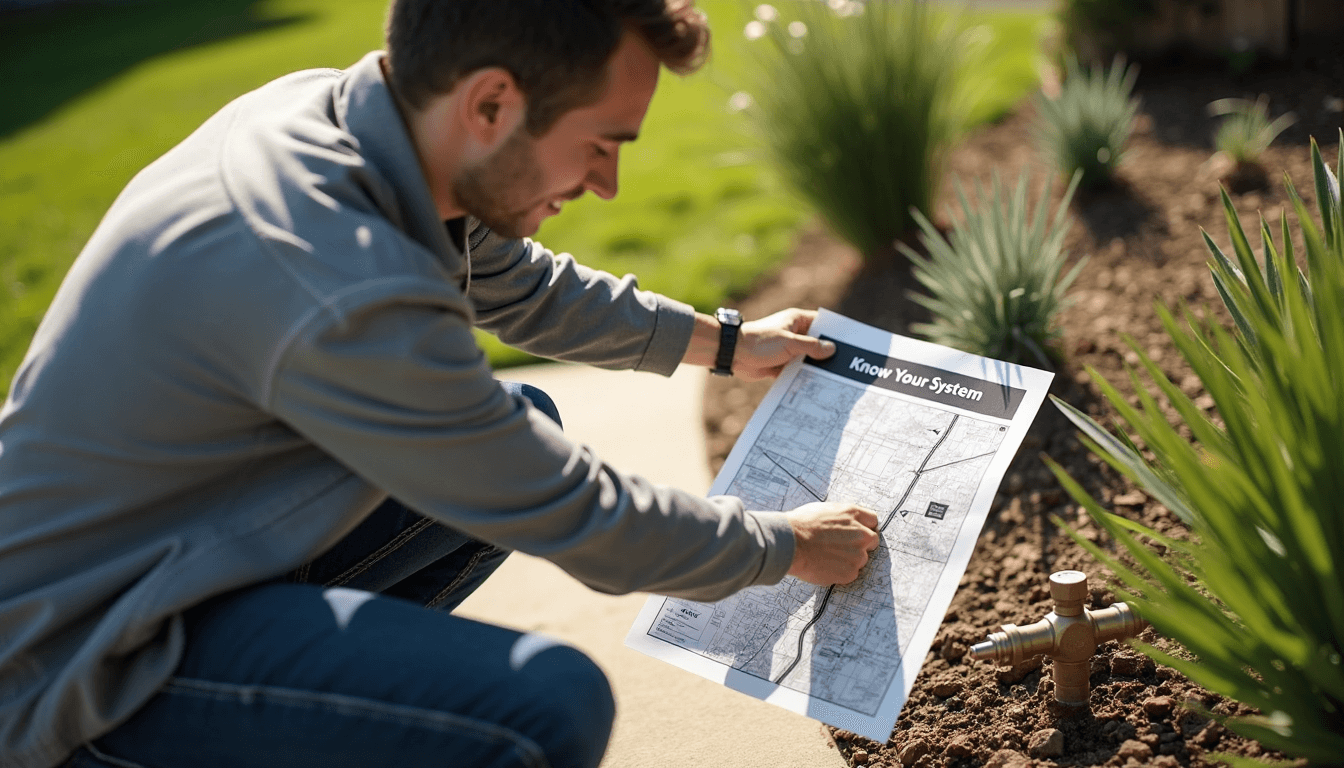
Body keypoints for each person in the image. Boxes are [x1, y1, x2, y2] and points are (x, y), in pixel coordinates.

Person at [0, 1, 882, 767]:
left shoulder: (341, 119)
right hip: (75, 672)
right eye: (600, 144)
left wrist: (728, 344)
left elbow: (521, 286)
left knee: (520, 426)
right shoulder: (335, 273)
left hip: (164, 564)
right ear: (492, 103)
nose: (608, 185)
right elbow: (573, 514)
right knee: (542, 710)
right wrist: (785, 547)